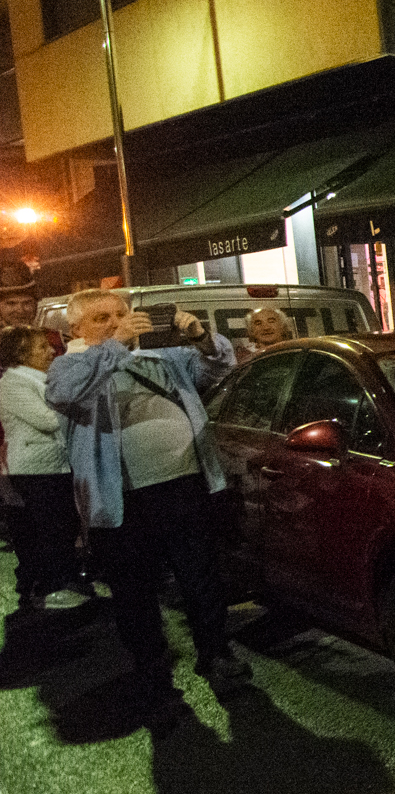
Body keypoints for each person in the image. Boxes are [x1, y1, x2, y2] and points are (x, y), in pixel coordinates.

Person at [44, 291, 244, 715]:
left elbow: (218, 368)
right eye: (102, 317)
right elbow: (66, 393)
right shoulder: (69, 365)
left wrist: (201, 337)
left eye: (121, 313)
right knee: (134, 591)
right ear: (76, 329)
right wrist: (115, 346)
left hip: (183, 485)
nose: (117, 321)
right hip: (122, 499)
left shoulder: (163, 357)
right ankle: (152, 672)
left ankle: (216, 654)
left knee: (200, 577)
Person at [0, 326, 84, 611]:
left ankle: (64, 583)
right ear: (20, 354)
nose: (50, 352)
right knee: (50, 530)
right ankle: (51, 589)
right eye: (41, 347)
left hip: (53, 466)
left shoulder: (41, 380)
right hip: (35, 469)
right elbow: (47, 421)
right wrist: (76, 404)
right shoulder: (13, 383)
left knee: (62, 526)